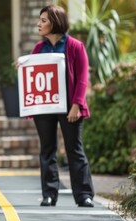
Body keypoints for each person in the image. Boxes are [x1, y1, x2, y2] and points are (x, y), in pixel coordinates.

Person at [30, 5, 94, 207]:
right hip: (45, 107)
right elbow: (32, 77)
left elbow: (83, 78)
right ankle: (49, 194)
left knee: (74, 150)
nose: (38, 24)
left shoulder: (75, 46)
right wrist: (22, 65)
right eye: (39, 20)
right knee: (47, 150)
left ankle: (84, 195)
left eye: (43, 20)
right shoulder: (38, 49)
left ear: (55, 22)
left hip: (70, 107)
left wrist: (76, 105)